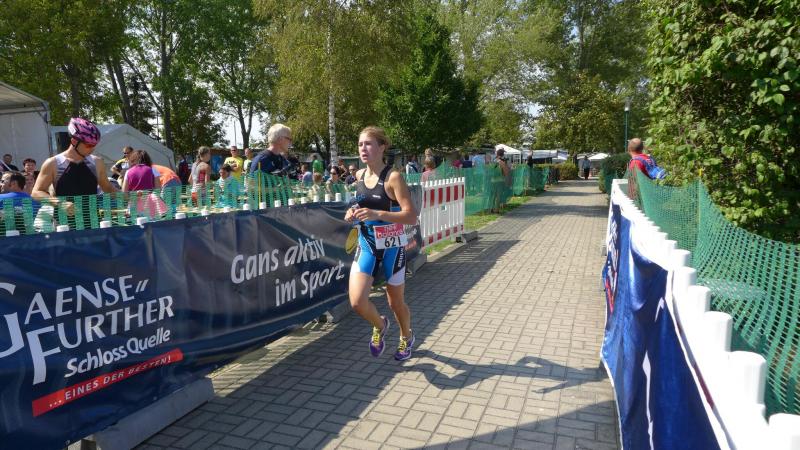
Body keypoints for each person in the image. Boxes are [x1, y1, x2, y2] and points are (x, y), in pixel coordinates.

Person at [345, 126, 418, 361]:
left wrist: (377, 214)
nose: (363, 149)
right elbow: (361, 204)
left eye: (368, 144)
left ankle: (406, 336)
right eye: (360, 144)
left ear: (382, 147)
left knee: (395, 302)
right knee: (357, 302)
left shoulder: (392, 177)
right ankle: (380, 325)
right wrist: (352, 212)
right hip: (367, 243)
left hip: (392, 247)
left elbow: (411, 216)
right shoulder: (359, 176)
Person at [32, 117, 117, 201]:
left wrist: (124, 198)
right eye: (89, 145)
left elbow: (108, 188)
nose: (92, 149)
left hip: (92, 210)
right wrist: (59, 203)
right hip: (63, 210)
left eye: (94, 145)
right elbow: (36, 192)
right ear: (74, 141)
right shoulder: (53, 163)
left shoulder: (97, 162)